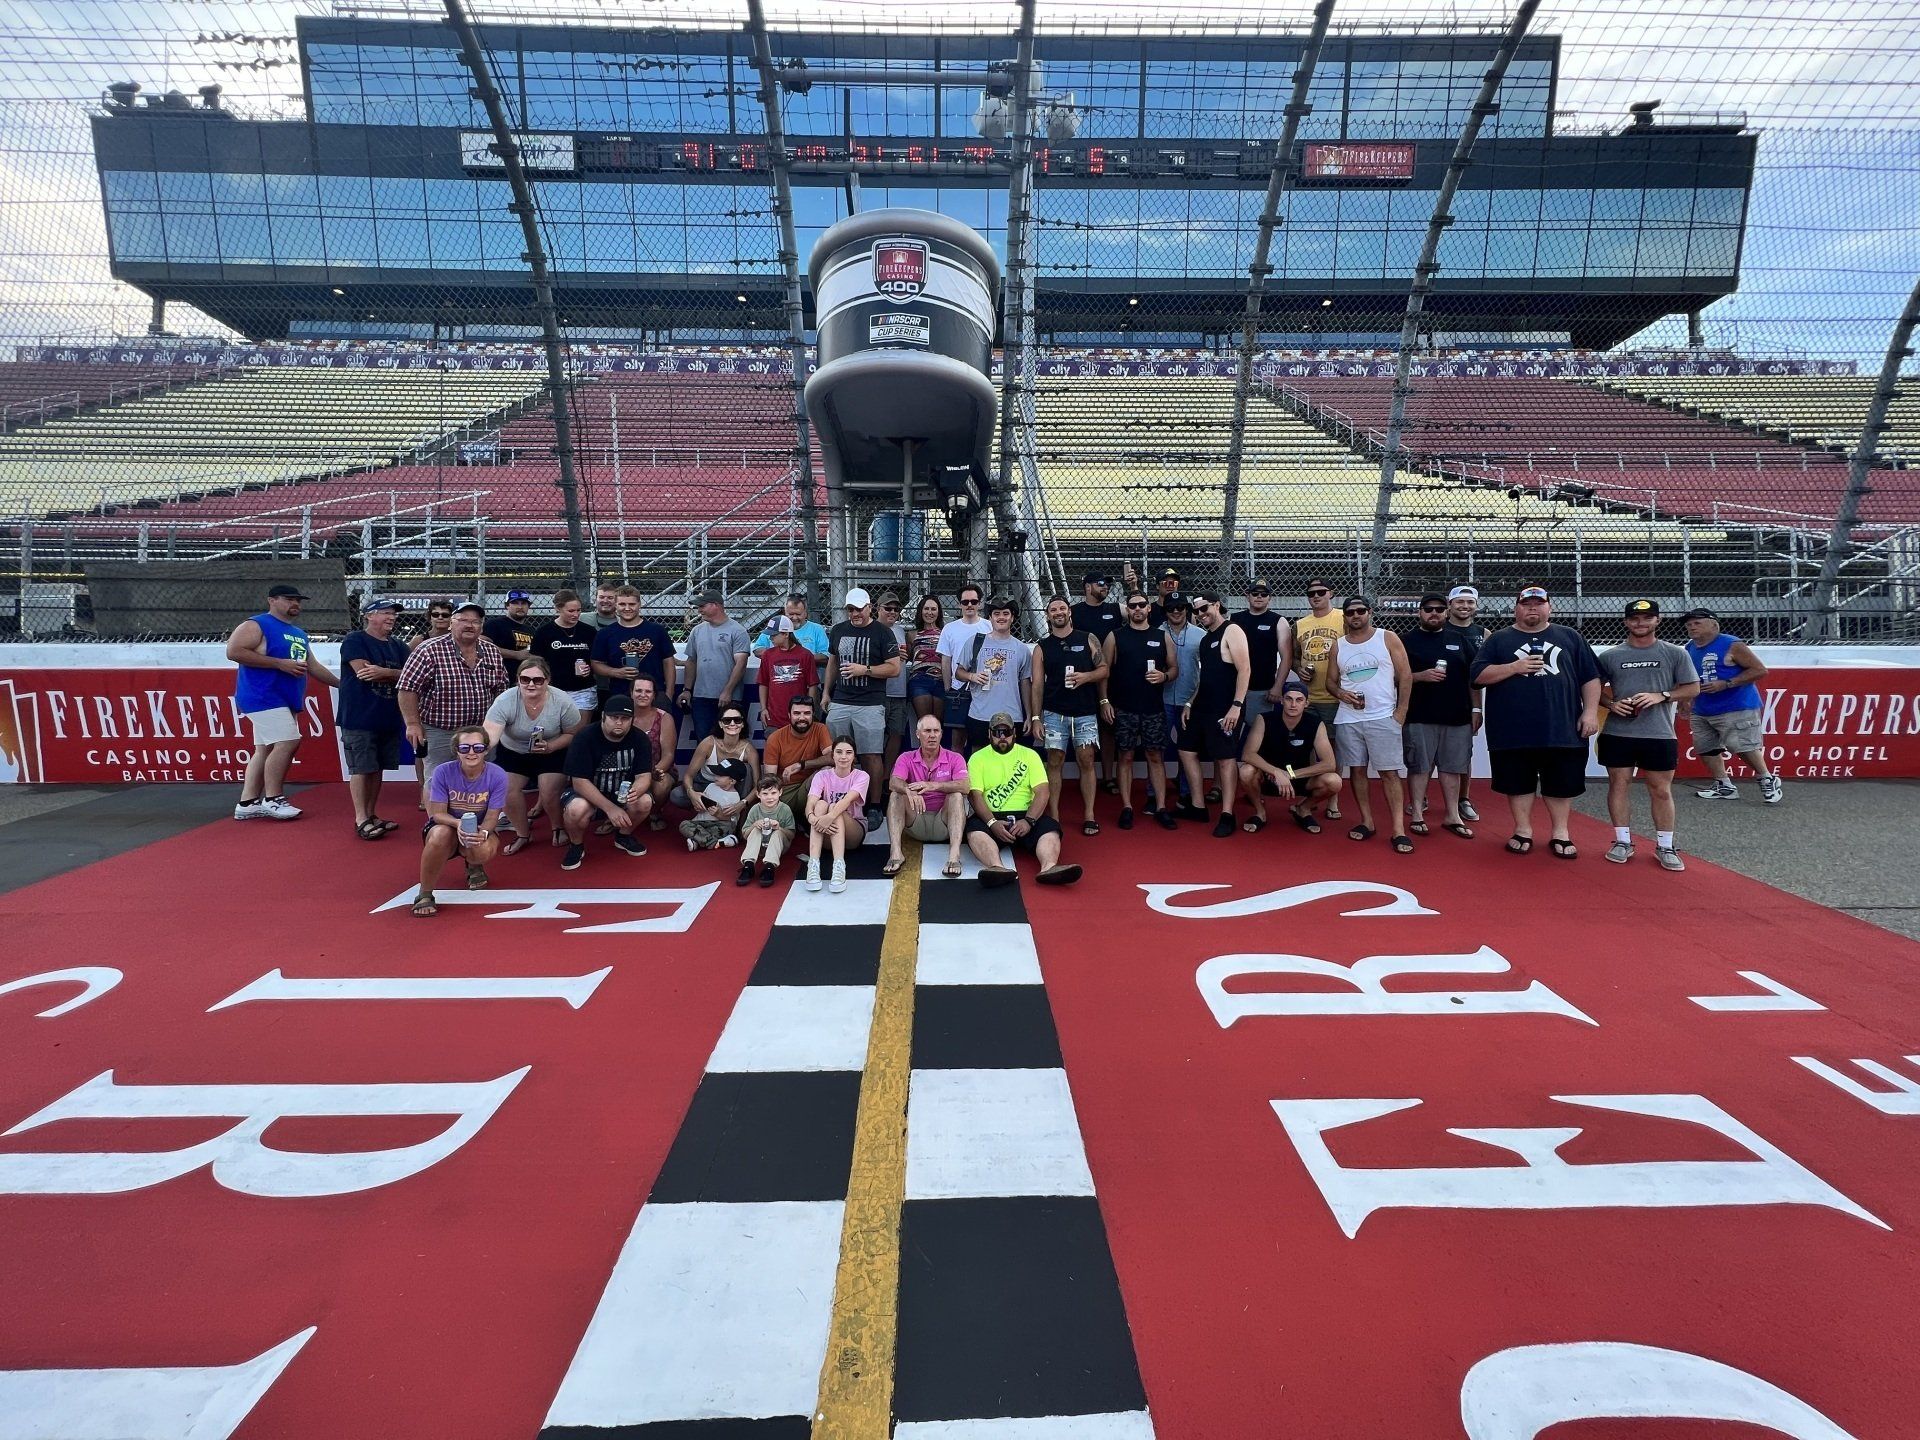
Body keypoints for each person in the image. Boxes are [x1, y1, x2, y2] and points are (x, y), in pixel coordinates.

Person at [1471, 584, 1602, 859]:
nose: (1533, 608)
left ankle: (1561, 832)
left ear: (1549, 608)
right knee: (1518, 783)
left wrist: (1590, 712)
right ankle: (1522, 830)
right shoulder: (1498, 639)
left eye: (1538, 604)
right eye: (1526, 604)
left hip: (1562, 727)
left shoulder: (1570, 636)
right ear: (1516, 608)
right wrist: (1513, 667)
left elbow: (1590, 677)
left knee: (1561, 784)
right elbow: (1478, 676)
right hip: (1512, 729)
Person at [1598, 599, 1702, 871]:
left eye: (1647, 618)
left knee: (1661, 790)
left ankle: (1665, 846)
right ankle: (1622, 841)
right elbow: (1593, 689)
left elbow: (1692, 688)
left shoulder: (1675, 653)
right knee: (1618, 785)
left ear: (1658, 620)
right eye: (1634, 618)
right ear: (1626, 622)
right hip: (1618, 732)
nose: (1640, 623)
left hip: (1659, 733)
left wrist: (1662, 695)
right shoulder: (1610, 656)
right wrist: (1611, 704)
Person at [227, 583, 340, 822]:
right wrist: (279, 663)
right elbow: (234, 651)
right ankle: (273, 799)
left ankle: (247, 803)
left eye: (298, 600)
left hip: (284, 698)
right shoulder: (256, 624)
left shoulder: (298, 633)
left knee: (264, 749)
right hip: (263, 696)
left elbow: (312, 666)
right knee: (288, 741)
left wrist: (343, 685)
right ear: (272, 600)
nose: (295, 603)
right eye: (288, 599)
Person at [1326, 595, 1413, 851]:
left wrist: (1401, 712)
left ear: (1370, 612)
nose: (1355, 615)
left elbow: (1406, 675)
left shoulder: (1387, 638)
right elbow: (1330, 681)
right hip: (1348, 718)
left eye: (1360, 610)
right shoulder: (1338, 645)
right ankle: (1367, 821)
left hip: (1383, 716)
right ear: (1344, 616)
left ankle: (1398, 830)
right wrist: (1340, 693)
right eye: (1350, 612)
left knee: (1390, 773)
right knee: (1357, 770)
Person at [964, 712, 1082, 888]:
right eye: (997, 732)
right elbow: (975, 796)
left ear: (1014, 733)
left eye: (1006, 732)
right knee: (973, 828)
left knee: (1050, 827)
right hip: (992, 817)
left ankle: (1049, 867)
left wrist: (1029, 820)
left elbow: (1043, 792)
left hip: (1026, 815)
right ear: (989, 734)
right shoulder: (977, 758)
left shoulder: (1030, 755)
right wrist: (992, 823)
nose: (1002, 737)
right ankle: (997, 868)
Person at [484, 656, 584, 854]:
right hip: (514, 751)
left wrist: (551, 746)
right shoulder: (505, 700)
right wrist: (479, 749)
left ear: (547, 680)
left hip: (552, 749)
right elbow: (490, 735)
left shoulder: (562, 700)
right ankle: (523, 833)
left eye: (537, 680)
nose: (531, 684)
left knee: (548, 791)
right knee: (506, 789)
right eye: (525, 679)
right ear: (518, 680)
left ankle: (557, 827)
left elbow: (573, 734)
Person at [1682, 607, 1782, 804]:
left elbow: (1759, 670)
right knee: (1706, 747)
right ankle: (1723, 785)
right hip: (1702, 707)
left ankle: (1766, 778)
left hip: (1735, 705)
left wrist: (1727, 683)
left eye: (1697, 623)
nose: (1692, 627)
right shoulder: (1690, 647)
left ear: (1714, 625)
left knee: (1743, 746)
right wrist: (1684, 699)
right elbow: (1688, 676)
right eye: (1689, 624)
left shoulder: (1731, 644)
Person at [398, 599, 510, 774]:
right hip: (440, 731)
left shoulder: (492, 651)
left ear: (481, 627)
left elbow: (501, 690)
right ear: (451, 624)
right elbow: (407, 688)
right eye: (463, 620)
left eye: (475, 622)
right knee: (438, 779)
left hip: (481, 731)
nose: (469, 625)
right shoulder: (428, 650)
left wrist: (497, 726)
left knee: (480, 780)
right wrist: (412, 723)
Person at [822, 587, 903, 828]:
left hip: (871, 702)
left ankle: (874, 804)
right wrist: (826, 692)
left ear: (869, 608)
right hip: (841, 699)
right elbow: (832, 662)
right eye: (851, 609)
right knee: (837, 754)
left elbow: (894, 668)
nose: (855, 613)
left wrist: (864, 670)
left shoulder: (883, 632)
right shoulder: (838, 630)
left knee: (871, 755)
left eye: (859, 609)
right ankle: (838, 801)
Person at [1400, 591, 1478, 840]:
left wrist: (1477, 709)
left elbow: (1474, 677)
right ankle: (1417, 814)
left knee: (1453, 767)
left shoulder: (1460, 639)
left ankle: (1453, 815)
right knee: (1419, 766)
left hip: (1457, 716)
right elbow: (1393, 677)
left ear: (1446, 612)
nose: (1434, 613)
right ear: (1419, 613)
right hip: (1419, 715)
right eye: (1428, 609)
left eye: (1439, 609)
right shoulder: (1405, 640)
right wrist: (1419, 676)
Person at [1030, 595, 1108, 835]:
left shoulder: (1088, 639)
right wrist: (1036, 718)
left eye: (1062, 608)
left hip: (1085, 713)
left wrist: (1086, 677)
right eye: (1053, 609)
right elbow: (1037, 686)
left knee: (1087, 761)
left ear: (1069, 611)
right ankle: (1054, 817)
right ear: (1047, 615)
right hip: (1054, 714)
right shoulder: (1041, 647)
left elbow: (1104, 669)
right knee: (1055, 762)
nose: (1058, 612)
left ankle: (1089, 815)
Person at [1103, 590, 1180, 830]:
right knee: (1125, 756)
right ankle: (1126, 807)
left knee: (1155, 757)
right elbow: (1104, 671)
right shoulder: (1115, 636)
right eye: (1132, 605)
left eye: (1141, 605)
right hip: (1124, 708)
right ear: (1127, 610)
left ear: (1149, 608)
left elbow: (1174, 668)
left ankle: (1161, 807)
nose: (1137, 609)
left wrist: (1164, 676)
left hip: (1153, 709)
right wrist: (1104, 701)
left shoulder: (1162, 636)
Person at [411, 724, 506, 917]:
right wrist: (458, 824)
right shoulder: (442, 771)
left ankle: (473, 863)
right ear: (456, 751)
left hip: (479, 826)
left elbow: (492, 817)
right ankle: (425, 892)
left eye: (478, 748)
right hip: (447, 824)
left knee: (482, 850)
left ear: (486, 750)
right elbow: (437, 814)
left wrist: (482, 833)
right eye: (465, 748)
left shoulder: (498, 774)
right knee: (440, 834)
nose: (471, 753)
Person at [1177, 593, 1252, 837]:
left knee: (1226, 759)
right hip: (1202, 706)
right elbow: (1206, 677)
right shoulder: (1206, 639)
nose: (1201, 614)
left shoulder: (1232, 630)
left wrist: (1236, 705)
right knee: (1186, 750)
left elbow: (1244, 669)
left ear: (1217, 605)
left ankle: (1227, 814)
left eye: (1204, 608)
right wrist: (1190, 703)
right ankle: (1198, 806)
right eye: (1196, 611)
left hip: (1225, 708)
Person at [338, 597, 409, 840]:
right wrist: (395, 674)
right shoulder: (355, 640)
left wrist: (386, 672)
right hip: (359, 717)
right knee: (361, 768)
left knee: (377, 768)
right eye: (385, 612)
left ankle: (371, 814)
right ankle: (361, 819)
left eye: (393, 613)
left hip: (388, 717)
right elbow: (364, 672)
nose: (391, 617)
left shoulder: (399, 646)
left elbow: (412, 674)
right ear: (369, 615)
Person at [559, 693, 654, 870]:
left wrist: (636, 791)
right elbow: (579, 782)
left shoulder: (640, 738)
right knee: (576, 809)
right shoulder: (585, 737)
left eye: (625, 718)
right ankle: (576, 845)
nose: (619, 722)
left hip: (621, 793)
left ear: (632, 720)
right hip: (588, 793)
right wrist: (611, 809)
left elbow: (644, 776)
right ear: (603, 716)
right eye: (614, 717)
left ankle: (623, 836)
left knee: (644, 801)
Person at [1239, 679, 1342, 833]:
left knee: (1334, 781)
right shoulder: (1264, 719)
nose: (1293, 704)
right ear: (1282, 701)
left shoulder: (1316, 723)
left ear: (1306, 703)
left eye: (1299, 700)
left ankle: (1303, 809)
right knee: (1246, 771)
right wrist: (1276, 772)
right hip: (1269, 777)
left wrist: (1290, 774)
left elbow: (1329, 764)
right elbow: (1248, 754)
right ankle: (1260, 812)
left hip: (1299, 778)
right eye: (1289, 699)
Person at [885, 712, 971, 878]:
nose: (932, 735)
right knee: (896, 795)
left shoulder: (955, 758)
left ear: (941, 734)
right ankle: (895, 853)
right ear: (918, 734)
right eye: (927, 731)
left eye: (936, 731)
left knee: (956, 795)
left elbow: (965, 786)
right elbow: (893, 782)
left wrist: (934, 785)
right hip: (916, 820)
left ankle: (954, 857)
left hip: (943, 822)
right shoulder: (906, 757)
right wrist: (908, 790)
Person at [953, 597, 1035, 752]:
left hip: (1012, 716)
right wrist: (972, 676)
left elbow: (1025, 684)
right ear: (990, 618)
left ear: (1012, 618)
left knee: (1009, 758)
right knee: (979, 757)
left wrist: (1029, 716)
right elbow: (958, 672)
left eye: (1006, 613)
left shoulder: (1021, 649)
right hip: (980, 714)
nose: (1001, 617)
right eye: (996, 614)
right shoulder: (975, 641)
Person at [1294, 577, 1345, 820]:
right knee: (1309, 749)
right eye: (1311, 593)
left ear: (1330, 593)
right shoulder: (1300, 624)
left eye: (1321, 592)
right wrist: (1298, 669)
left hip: (1334, 696)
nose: (1316, 596)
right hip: (1309, 698)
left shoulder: (1344, 617)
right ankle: (1313, 794)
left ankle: (1332, 798)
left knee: (1333, 750)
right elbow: (1294, 656)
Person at [1070, 572, 1124, 793]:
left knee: (1108, 728)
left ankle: (1108, 777)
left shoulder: (1116, 609)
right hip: (1081, 679)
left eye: (1108, 584)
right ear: (1087, 587)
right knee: (1082, 730)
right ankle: (1087, 776)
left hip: (1112, 677)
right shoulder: (1074, 612)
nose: (1105, 587)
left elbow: (1141, 611)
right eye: (1101, 583)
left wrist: (1134, 586)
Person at [678, 593, 751, 749]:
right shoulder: (697, 631)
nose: (699, 610)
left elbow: (741, 663)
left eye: (702, 606)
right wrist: (687, 690)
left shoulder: (737, 631)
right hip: (701, 697)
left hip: (729, 698)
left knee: (731, 742)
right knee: (704, 742)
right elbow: (691, 661)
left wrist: (727, 691)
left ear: (715, 605)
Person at [1444, 584, 1489, 822]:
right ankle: (1421, 798)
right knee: (1428, 755)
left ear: (1476, 606)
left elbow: (1479, 677)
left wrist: (1477, 708)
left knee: (1463, 754)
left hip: (1465, 704)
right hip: (1434, 702)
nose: (1465, 606)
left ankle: (1463, 798)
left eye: (1470, 602)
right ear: (1450, 604)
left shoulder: (1484, 634)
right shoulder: (1437, 628)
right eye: (1460, 601)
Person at [591, 584, 674, 710]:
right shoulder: (605, 634)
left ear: (639, 605)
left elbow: (668, 662)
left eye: (632, 604)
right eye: (622, 604)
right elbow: (596, 663)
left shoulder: (657, 630)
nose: (627, 608)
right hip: (620, 694)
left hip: (654, 694)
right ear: (615, 605)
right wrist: (616, 672)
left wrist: (669, 694)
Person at [805, 738, 870, 894]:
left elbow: (847, 800)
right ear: (832, 755)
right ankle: (813, 865)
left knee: (835, 807)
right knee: (820, 805)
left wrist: (828, 818)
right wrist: (812, 818)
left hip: (853, 831)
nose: (843, 757)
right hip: (827, 832)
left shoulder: (861, 776)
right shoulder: (822, 775)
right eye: (839, 752)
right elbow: (810, 802)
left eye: (848, 752)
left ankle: (839, 866)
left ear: (854, 756)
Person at [936, 582, 993, 749]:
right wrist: (948, 688)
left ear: (980, 604)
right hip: (959, 690)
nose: (969, 605)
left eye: (973, 601)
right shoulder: (949, 628)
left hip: (984, 690)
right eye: (965, 602)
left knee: (981, 741)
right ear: (959, 604)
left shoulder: (989, 626)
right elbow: (946, 660)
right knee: (957, 740)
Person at [410, 599, 454, 811]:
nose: (440, 618)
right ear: (429, 617)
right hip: (425, 705)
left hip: (450, 706)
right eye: (436, 614)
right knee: (423, 750)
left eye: (445, 614)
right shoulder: (419, 641)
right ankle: (423, 790)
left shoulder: (459, 639)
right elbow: (408, 673)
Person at [1229, 580, 1293, 722]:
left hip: (1262, 689)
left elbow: (1287, 657)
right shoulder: (1233, 619)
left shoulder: (1279, 621)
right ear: (1247, 595)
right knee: (1231, 729)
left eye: (1264, 594)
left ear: (1270, 598)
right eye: (1255, 593)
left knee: (1258, 729)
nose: (1259, 596)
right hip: (1234, 688)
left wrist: (1278, 686)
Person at [762, 693, 834, 820]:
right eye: (797, 713)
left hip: (812, 787)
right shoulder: (775, 738)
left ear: (813, 715)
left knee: (827, 771)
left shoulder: (820, 729)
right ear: (789, 715)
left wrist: (802, 765)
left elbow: (832, 758)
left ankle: (817, 819)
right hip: (786, 791)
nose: (802, 718)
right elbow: (770, 779)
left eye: (807, 713)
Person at [530, 588, 599, 719]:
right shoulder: (544, 632)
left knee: (579, 728)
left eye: (578, 610)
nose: (576, 614)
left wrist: (590, 668)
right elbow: (535, 662)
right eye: (571, 611)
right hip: (553, 689)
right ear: (558, 609)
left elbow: (597, 659)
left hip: (583, 689)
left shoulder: (589, 631)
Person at [1160, 592, 1202, 794]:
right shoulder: (1155, 633)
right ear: (1165, 611)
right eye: (1171, 608)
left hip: (1190, 701)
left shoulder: (1201, 635)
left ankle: (1186, 793)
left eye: (1180, 607)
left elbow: (1207, 671)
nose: (1176, 611)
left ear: (1187, 609)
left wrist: (1194, 700)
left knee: (1188, 750)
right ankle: (1154, 793)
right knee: (1157, 749)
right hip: (1162, 700)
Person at [629, 675, 680, 829]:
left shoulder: (664, 718)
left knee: (661, 784)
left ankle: (655, 813)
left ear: (654, 695)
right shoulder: (622, 716)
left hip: (656, 769)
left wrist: (653, 773)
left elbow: (668, 755)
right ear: (631, 693)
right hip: (626, 771)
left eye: (648, 691)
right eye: (638, 690)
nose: (643, 695)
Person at [756, 616, 819, 732]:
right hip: (774, 716)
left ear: (786, 634)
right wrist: (763, 708)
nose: (770, 638)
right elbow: (763, 683)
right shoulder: (768, 655)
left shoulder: (805, 655)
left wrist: (809, 709)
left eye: (774, 635)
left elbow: (812, 685)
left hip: (799, 717)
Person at [737, 773, 796, 888]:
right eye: (765, 793)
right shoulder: (755, 809)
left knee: (778, 833)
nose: (770, 797)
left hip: (779, 847)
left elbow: (791, 835)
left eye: (773, 793)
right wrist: (754, 825)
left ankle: (769, 867)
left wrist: (779, 828)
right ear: (758, 794)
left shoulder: (785, 809)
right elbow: (745, 835)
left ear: (780, 792)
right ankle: (748, 865)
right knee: (755, 830)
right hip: (759, 848)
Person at [878, 593, 914, 781]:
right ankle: (874, 778)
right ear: (878, 609)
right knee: (876, 737)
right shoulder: (873, 629)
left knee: (896, 734)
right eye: (888, 608)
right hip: (878, 692)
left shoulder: (900, 631)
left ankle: (886, 778)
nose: (892, 612)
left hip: (899, 692)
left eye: (896, 609)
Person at [681, 758, 749, 851]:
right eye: (716, 773)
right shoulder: (711, 786)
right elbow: (701, 804)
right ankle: (716, 842)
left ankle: (699, 840)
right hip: (700, 823)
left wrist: (718, 814)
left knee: (727, 827)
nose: (716, 776)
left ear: (732, 781)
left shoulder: (734, 797)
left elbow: (732, 820)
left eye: (720, 775)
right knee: (684, 825)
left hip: (718, 825)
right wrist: (699, 806)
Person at [905, 595, 948, 729]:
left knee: (937, 725)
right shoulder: (912, 635)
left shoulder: (946, 633)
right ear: (921, 611)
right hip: (919, 681)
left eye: (933, 609)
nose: (930, 612)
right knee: (925, 723)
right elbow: (908, 658)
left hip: (941, 681)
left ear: (939, 612)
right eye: (926, 609)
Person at [753, 590, 832, 662]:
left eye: (798, 614)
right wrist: (779, 655)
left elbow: (826, 655)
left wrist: (800, 657)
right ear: (785, 613)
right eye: (791, 614)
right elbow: (757, 649)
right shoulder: (775, 627)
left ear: (805, 613)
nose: (794, 618)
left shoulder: (817, 629)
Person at [482, 589, 537, 671]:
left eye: (523, 603)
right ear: (507, 606)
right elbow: (482, 646)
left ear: (529, 606)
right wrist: (516, 655)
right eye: (515, 603)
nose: (520, 607)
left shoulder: (531, 630)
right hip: (500, 674)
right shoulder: (494, 624)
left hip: (525, 675)